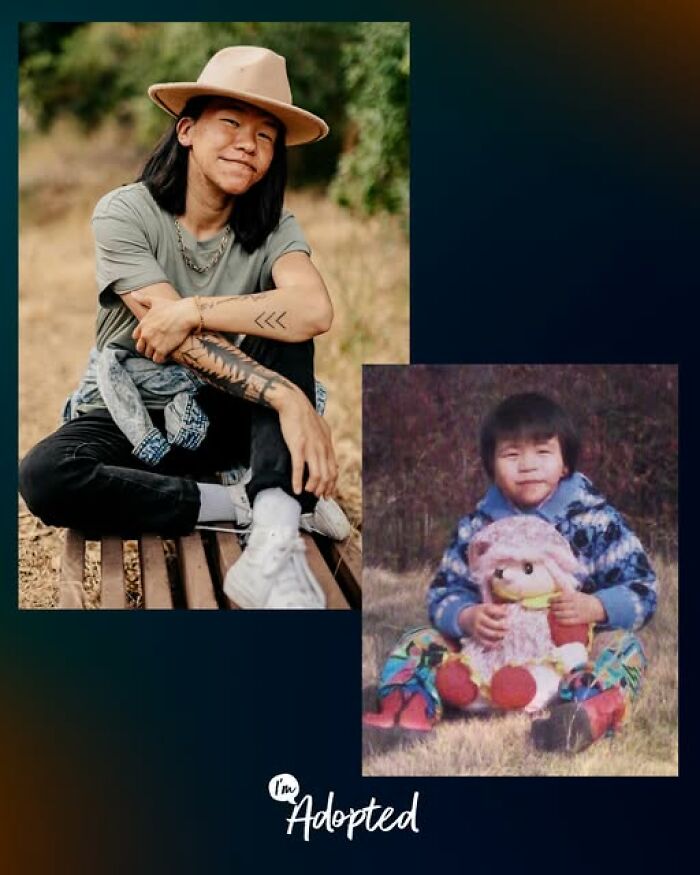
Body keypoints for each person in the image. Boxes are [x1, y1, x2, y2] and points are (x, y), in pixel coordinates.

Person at [19, 45, 351, 610]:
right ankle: (246, 503)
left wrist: (194, 308)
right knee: (46, 475)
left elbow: (314, 310)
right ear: (187, 130)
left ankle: (275, 535)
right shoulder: (125, 213)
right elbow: (183, 349)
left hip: (223, 414)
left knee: (289, 327)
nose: (248, 142)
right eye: (231, 123)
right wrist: (291, 400)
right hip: (131, 419)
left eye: (266, 135)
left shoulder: (274, 229)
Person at [363, 392, 656, 751]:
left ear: (565, 463)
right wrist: (467, 616)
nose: (528, 465)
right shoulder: (475, 527)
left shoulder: (596, 521)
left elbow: (642, 589)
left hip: (566, 661)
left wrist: (596, 607)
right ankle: (404, 708)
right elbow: (443, 592)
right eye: (512, 454)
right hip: (487, 661)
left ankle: (586, 709)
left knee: (626, 647)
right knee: (419, 638)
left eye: (542, 452)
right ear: (491, 465)